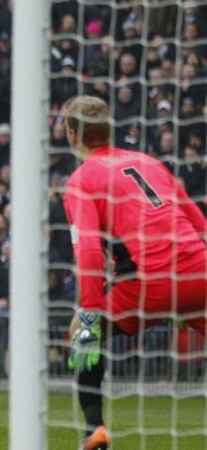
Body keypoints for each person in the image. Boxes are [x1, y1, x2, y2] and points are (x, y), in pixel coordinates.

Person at [61, 96, 207, 450]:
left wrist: (92, 316)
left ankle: (95, 429)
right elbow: (199, 223)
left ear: (71, 134)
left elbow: (91, 251)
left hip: (146, 284)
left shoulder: (81, 180)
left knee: (80, 332)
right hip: (199, 271)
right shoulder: (149, 162)